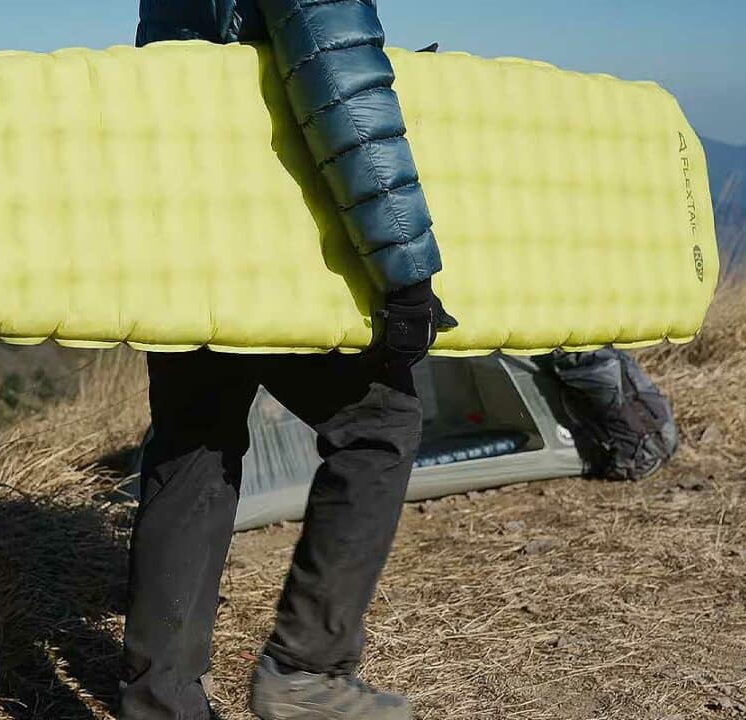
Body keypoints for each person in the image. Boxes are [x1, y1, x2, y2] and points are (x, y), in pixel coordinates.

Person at [121, 2, 456, 718]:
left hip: (178, 222)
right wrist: (405, 275)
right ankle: (307, 672)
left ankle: (161, 703)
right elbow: (344, 93)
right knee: (382, 423)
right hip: (269, 244)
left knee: (193, 444)